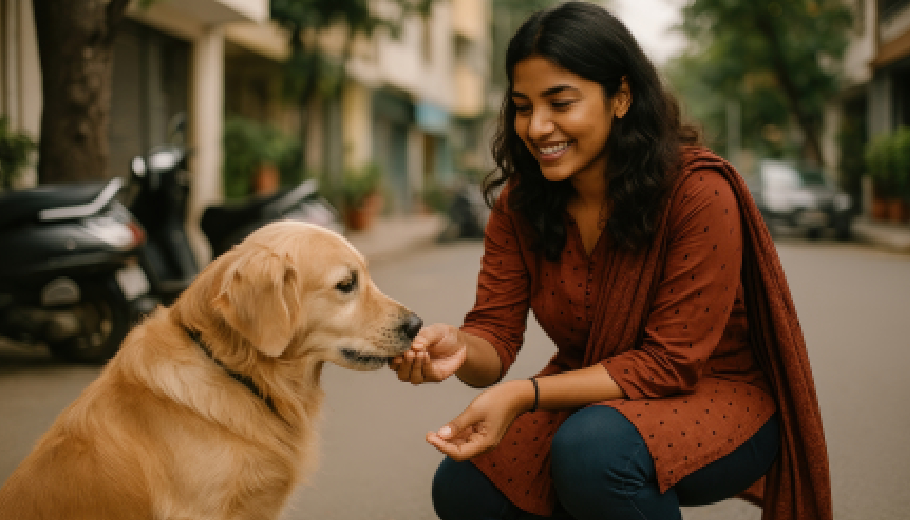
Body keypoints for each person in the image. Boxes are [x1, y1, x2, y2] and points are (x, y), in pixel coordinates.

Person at [389, 3, 832, 520]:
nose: (537, 126)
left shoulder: (698, 192)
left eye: (560, 102)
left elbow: (670, 364)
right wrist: (458, 348)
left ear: (620, 96)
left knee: (593, 453)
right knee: (467, 484)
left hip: (719, 395)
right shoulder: (521, 203)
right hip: (593, 401)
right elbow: (495, 334)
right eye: (522, 105)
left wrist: (523, 396)